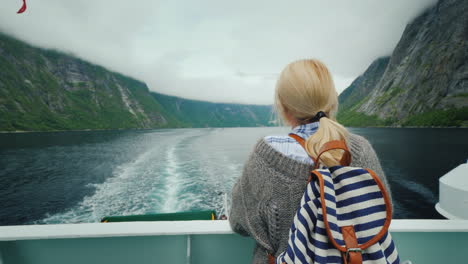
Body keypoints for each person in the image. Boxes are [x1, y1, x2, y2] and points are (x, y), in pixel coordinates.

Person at [229, 59, 392, 264]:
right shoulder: (360, 149)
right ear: (332, 102)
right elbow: (381, 213)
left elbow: (238, 223)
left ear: (282, 105)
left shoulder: (265, 155)